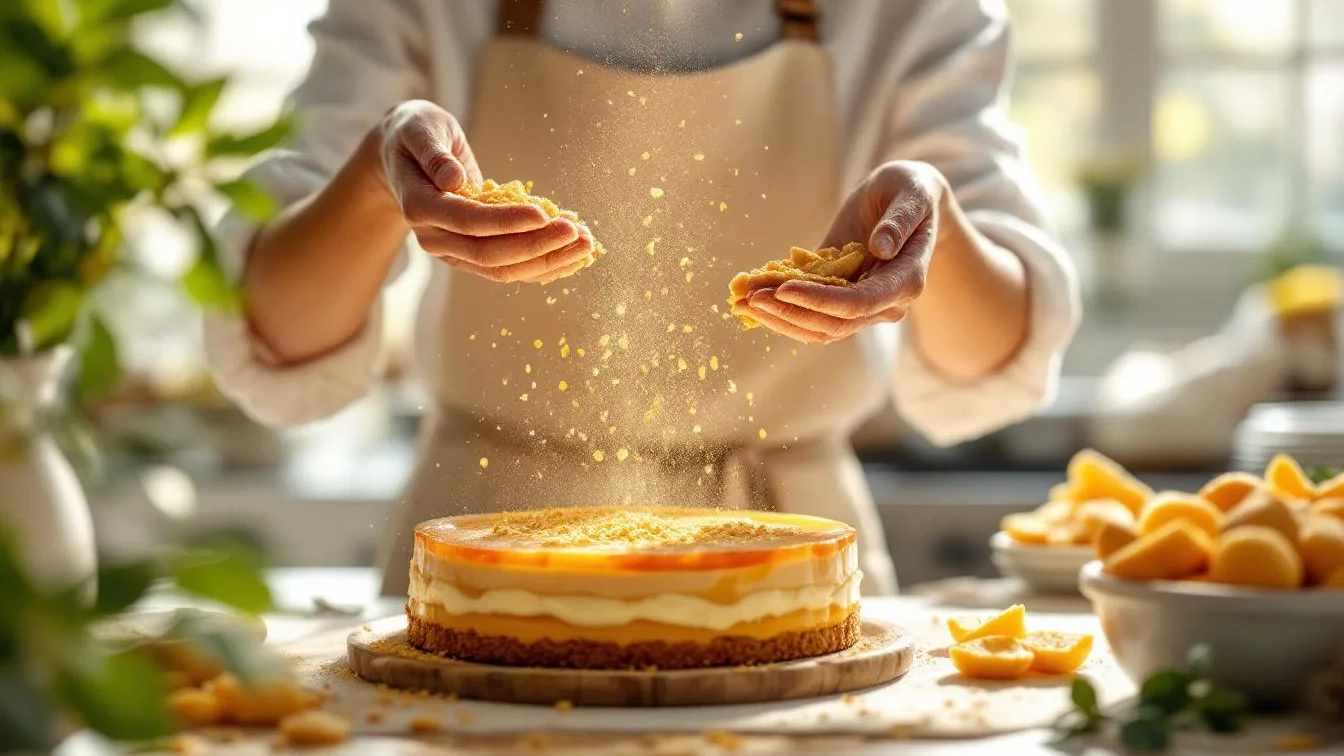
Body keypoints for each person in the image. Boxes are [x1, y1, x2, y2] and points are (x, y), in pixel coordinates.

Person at [204, 0, 1081, 597]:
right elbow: (277, 329)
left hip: (786, 551)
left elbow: (991, 359)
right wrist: (376, 176)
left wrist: (933, 223)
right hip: (480, 551)